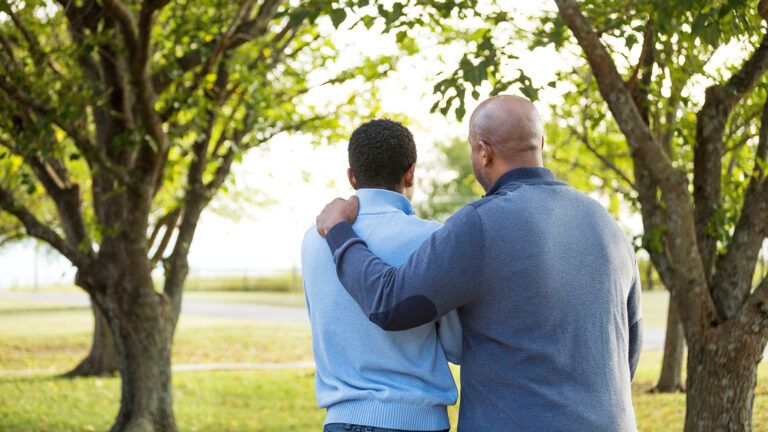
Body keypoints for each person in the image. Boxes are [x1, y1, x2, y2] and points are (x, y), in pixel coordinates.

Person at [315, 95, 643, 431]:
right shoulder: (609, 226)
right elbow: (629, 347)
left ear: (483, 152)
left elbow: (391, 303)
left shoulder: (481, 224)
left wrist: (339, 231)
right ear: (540, 143)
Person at [302, 119, 462, 432]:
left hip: (339, 420)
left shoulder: (315, 237)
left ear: (351, 176)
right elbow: (456, 345)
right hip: (416, 422)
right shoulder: (433, 239)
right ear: (411, 172)